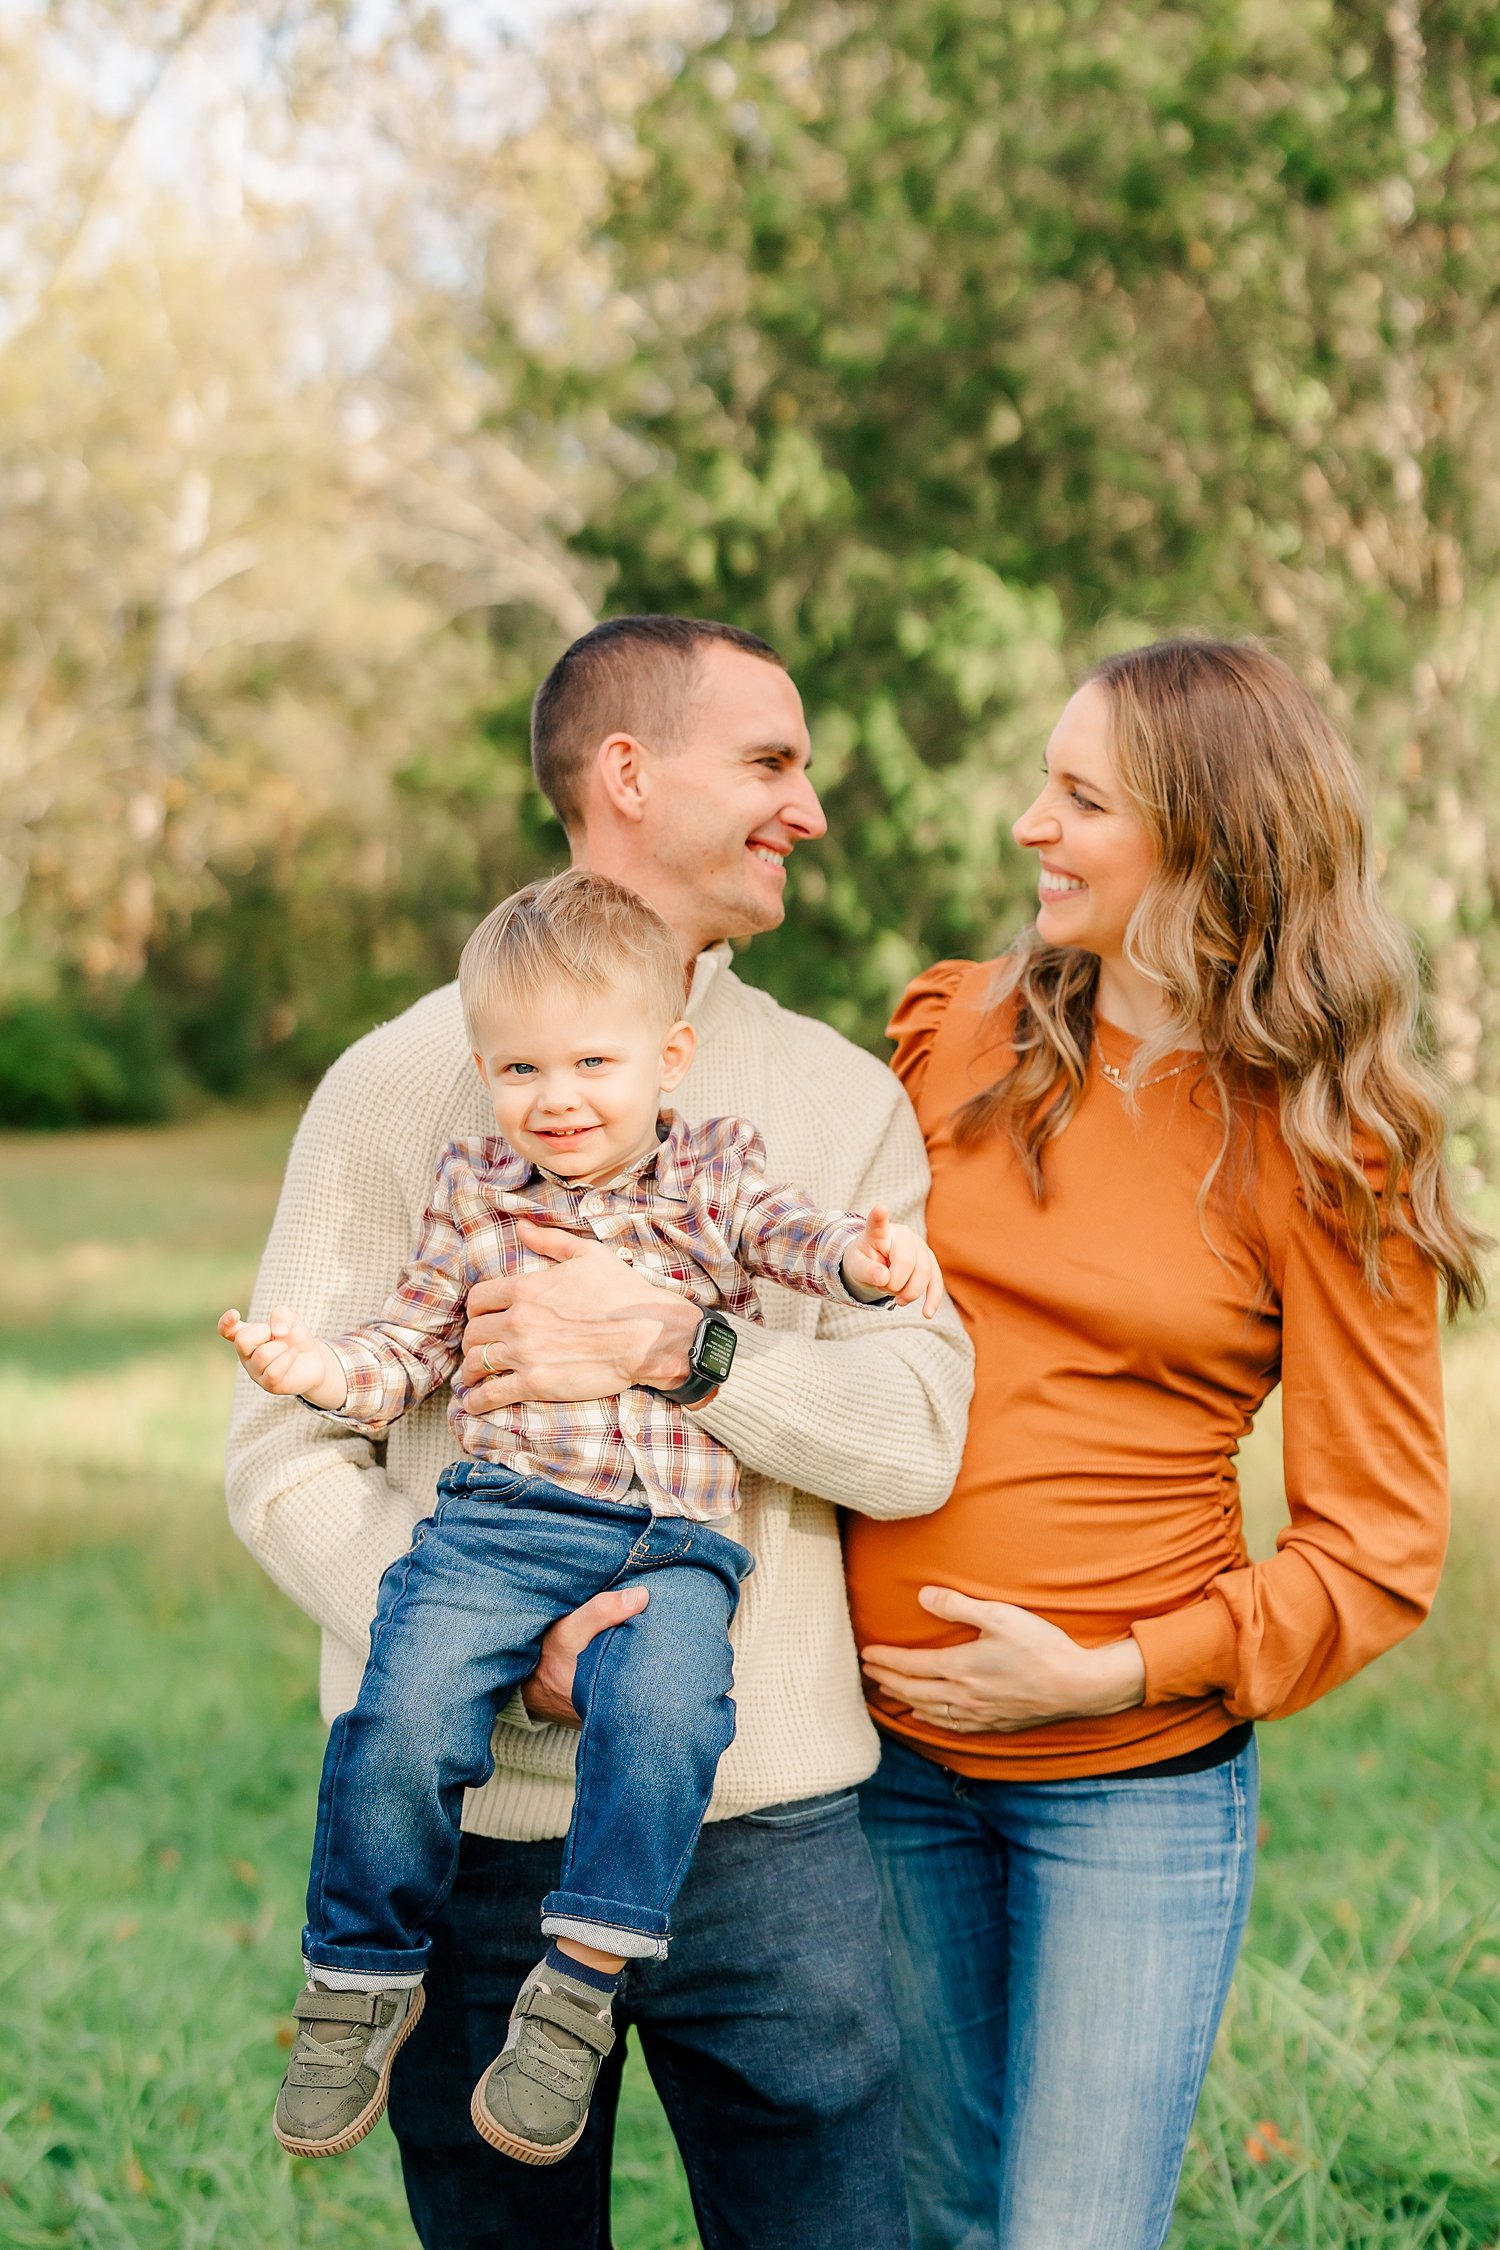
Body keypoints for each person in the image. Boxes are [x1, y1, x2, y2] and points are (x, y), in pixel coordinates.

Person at [226, 615, 974, 2247]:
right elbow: (282, 1455)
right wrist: (502, 1642)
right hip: (471, 1835)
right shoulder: (402, 1082)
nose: (812, 806)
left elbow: (918, 1432)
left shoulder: (839, 1097)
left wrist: (692, 1350)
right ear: (629, 774)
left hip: (770, 1829)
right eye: (773, 762)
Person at [845, 636, 1485, 2250]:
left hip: (1126, 1789)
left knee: (1069, 2234)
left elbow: (1378, 1548)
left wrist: (1105, 1671)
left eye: (1079, 799)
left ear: (1206, 843)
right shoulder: (953, 1030)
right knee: (929, 2219)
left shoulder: (1328, 1140)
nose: (1027, 827)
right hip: (884, 1760)